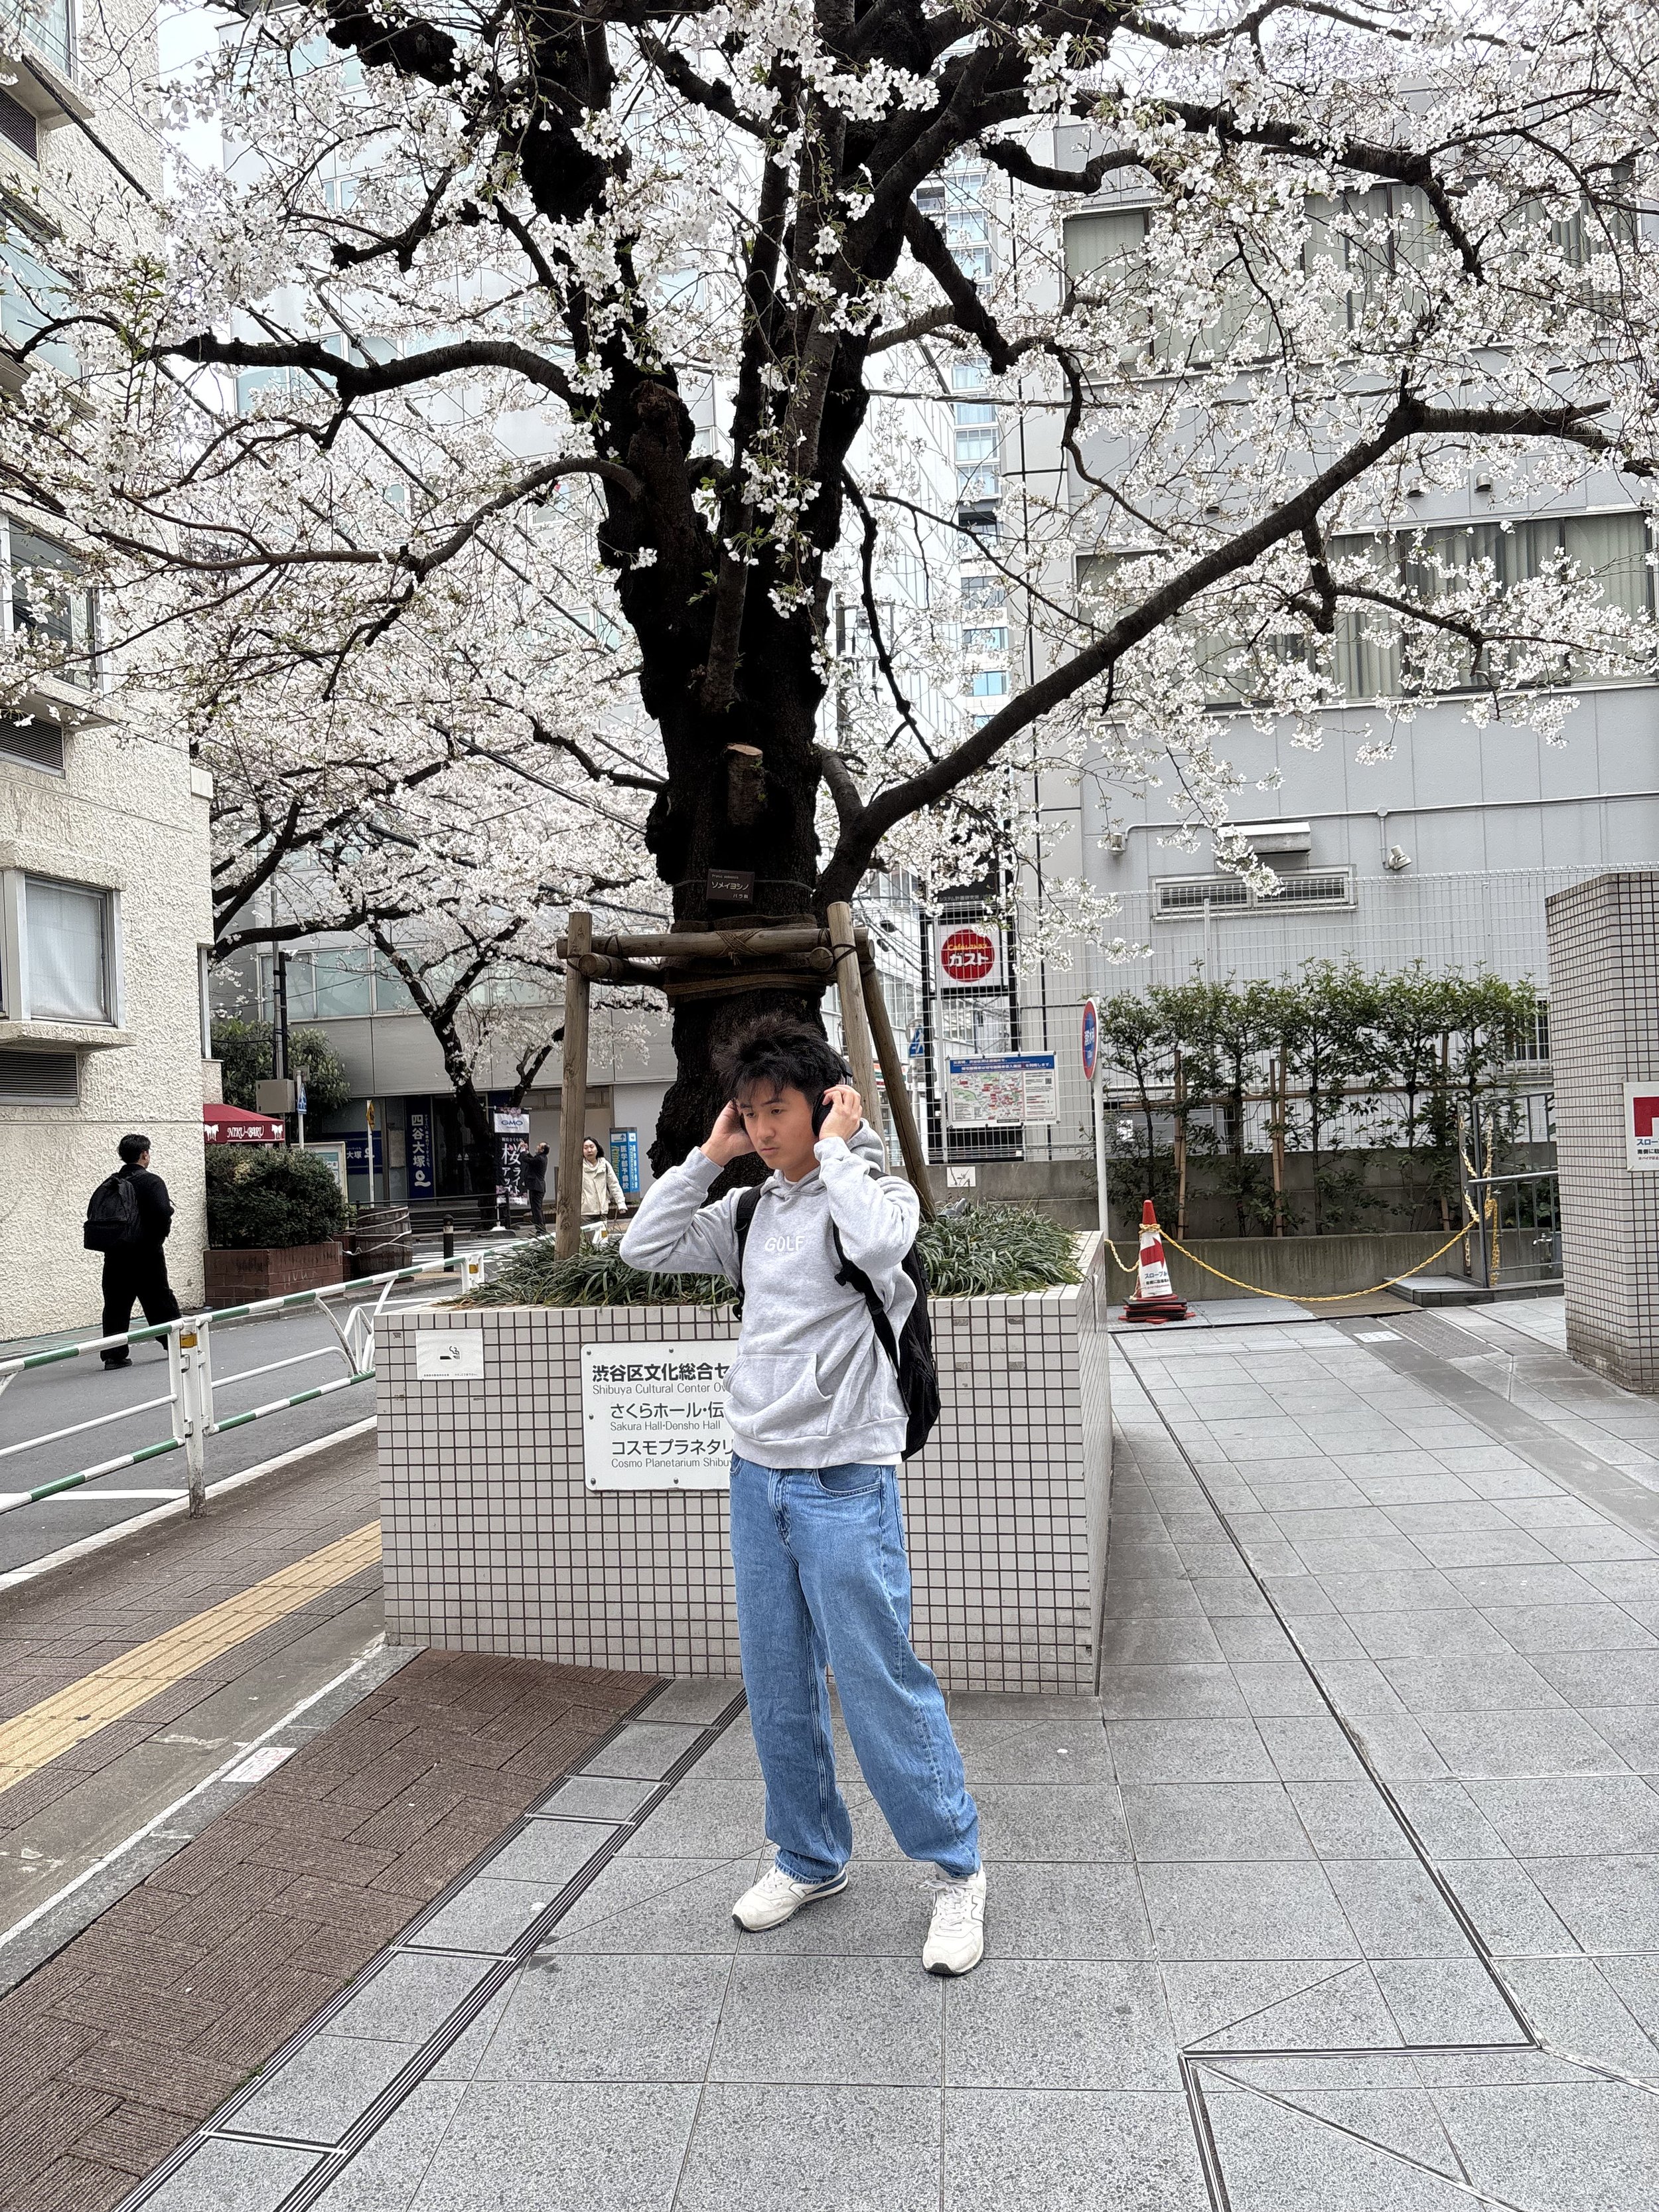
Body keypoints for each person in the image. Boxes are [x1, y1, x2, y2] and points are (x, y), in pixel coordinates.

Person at [620, 1019, 985, 1976]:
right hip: (756, 1472)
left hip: (841, 1476)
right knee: (778, 1680)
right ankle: (810, 1856)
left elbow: (880, 1244)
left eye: (774, 1110)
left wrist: (837, 1151)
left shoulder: (874, 1193)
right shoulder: (751, 1213)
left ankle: (956, 1870)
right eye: (750, 1112)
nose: (761, 1127)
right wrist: (710, 1155)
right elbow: (643, 1247)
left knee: (877, 1679)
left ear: (824, 1104)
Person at [96, 1134, 182, 1368]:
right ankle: (176, 1343)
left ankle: (114, 1355)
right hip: (147, 1253)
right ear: (145, 1155)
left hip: (116, 1255)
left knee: (116, 1304)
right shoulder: (152, 1182)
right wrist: (158, 1238)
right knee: (159, 1299)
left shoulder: (111, 1182)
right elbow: (163, 1213)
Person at [579, 1136, 626, 1236]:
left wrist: (621, 1203)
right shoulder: (579, 1166)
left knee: (603, 1239)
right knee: (590, 1242)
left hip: (602, 1212)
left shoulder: (605, 1164)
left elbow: (614, 1184)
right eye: (586, 1148)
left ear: (597, 1148)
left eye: (592, 1147)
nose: (589, 1150)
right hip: (585, 1213)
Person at [522, 1142, 550, 1234]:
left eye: (539, 1146)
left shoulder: (540, 1159)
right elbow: (531, 1159)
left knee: (537, 1209)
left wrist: (522, 1150)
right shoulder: (541, 1158)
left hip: (536, 1187)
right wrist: (527, 1151)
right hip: (538, 1187)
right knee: (537, 1209)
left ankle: (541, 1229)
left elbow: (526, 1160)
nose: (537, 1146)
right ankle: (541, 1228)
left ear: (542, 1150)